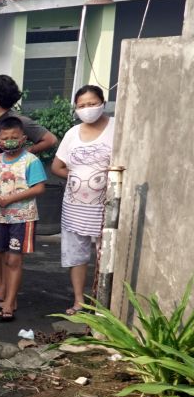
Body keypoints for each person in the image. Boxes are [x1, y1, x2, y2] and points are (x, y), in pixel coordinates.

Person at [0, 74, 58, 305]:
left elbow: (50, 139)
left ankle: (5, 290)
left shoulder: (16, 122)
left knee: (7, 245)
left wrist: (23, 157)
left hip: (8, 195)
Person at [51, 85, 115, 315]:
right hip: (74, 206)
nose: (87, 109)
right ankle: (79, 300)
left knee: (104, 254)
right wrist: (80, 177)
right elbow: (57, 166)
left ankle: (101, 301)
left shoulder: (116, 128)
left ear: (103, 103)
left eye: (92, 103)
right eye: (81, 105)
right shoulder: (72, 133)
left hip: (106, 206)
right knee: (77, 255)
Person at [0, 117, 48, 322]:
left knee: (14, 259)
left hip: (23, 218)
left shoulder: (30, 161)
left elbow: (39, 188)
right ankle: (9, 298)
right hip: (3, 218)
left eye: (14, 137)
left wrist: (10, 198)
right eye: (5, 138)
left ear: (23, 138)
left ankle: (9, 302)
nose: (9, 141)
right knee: (4, 257)